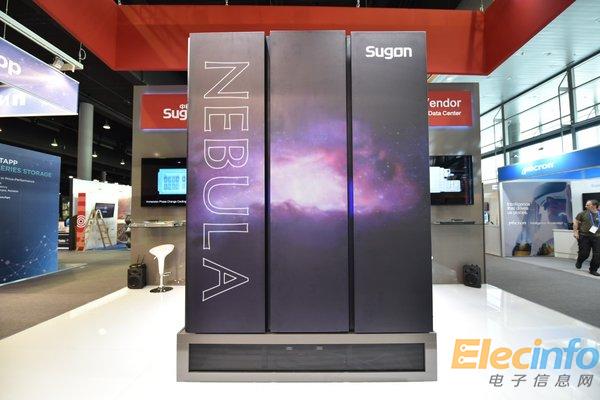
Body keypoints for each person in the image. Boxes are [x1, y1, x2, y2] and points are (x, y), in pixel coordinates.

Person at [573, 199, 600, 276]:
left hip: (597, 237)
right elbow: (575, 222)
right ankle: (580, 260)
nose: (586, 206)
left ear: (594, 206)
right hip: (584, 236)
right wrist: (575, 232)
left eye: (587, 205)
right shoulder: (582, 213)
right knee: (584, 253)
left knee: (598, 254)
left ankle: (593, 269)